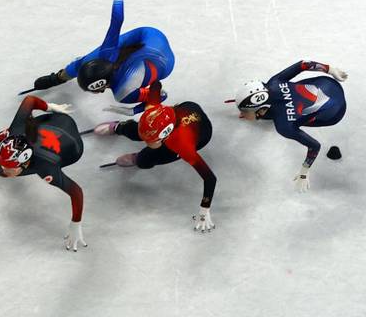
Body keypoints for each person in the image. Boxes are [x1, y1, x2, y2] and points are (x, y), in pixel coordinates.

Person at [24, 0, 174, 115]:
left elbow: (162, 94)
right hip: (150, 36)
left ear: (100, 88)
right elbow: (117, 20)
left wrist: (133, 111)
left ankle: (60, 77)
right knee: (90, 59)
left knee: (92, 62)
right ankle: (60, 76)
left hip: (164, 63)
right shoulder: (107, 54)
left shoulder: (123, 91)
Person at [0, 96, 87, 251]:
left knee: (20, 163)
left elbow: (76, 192)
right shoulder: (17, 130)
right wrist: (49, 107)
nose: (4, 170)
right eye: (2, 164)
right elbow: (30, 100)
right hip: (58, 120)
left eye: (9, 167)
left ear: (25, 162)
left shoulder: (45, 167)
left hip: (72, 149)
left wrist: (76, 223)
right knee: (10, 133)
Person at [93, 82, 218, 231]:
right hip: (184, 111)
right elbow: (156, 85)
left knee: (148, 159)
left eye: (149, 141)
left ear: (162, 138)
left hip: (200, 136)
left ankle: (138, 158)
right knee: (135, 130)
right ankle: (120, 127)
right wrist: (137, 104)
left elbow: (210, 178)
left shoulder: (183, 147)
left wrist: (204, 210)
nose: (145, 142)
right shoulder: (153, 106)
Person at [234, 60, 348, 192]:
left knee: (293, 116)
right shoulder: (274, 83)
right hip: (328, 83)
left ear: (262, 110)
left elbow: (315, 146)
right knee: (284, 106)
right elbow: (303, 64)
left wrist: (304, 172)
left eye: (245, 112)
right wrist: (330, 69)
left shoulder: (284, 126)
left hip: (335, 112)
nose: (241, 113)